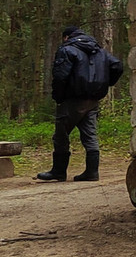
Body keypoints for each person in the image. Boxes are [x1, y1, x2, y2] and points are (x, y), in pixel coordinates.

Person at [36, 26, 123, 183]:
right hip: (93, 99)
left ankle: (59, 171)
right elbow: (117, 65)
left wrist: (58, 96)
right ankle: (91, 172)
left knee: (61, 134)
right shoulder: (100, 51)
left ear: (67, 37)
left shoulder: (67, 50)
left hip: (72, 99)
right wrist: (105, 83)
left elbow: (60, 76)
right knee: (90, 134)